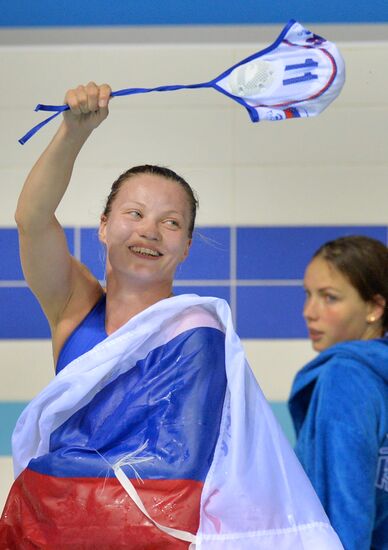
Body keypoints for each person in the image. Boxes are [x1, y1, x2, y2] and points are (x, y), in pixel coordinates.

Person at [1, 82, 344, 549]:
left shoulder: (199, 333)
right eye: (134, 213)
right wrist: (74, 131)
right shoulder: (73, 307)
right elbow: (32, 218)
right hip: (59, 531)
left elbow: (226, 465)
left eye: (171, 222)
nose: (150, 231)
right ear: (104, 226)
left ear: (185, 246)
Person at [289, 235, 388, 550]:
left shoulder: (345, 376)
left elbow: (345, 514)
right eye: (308, 295)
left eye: (329, 297)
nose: (309, 311)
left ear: (374, 307)